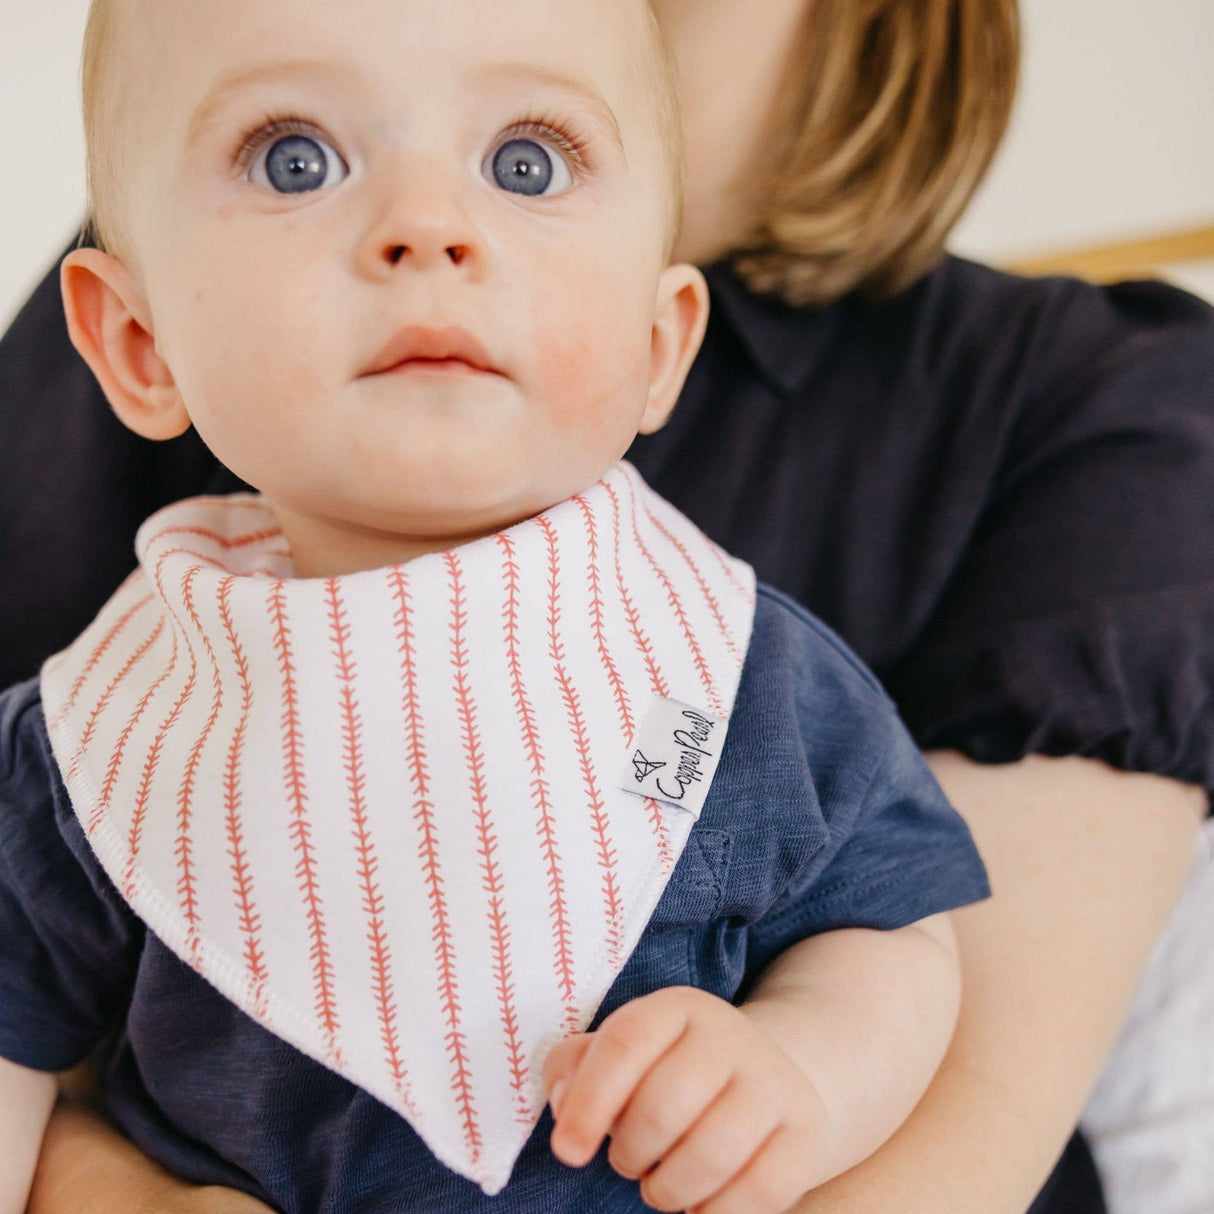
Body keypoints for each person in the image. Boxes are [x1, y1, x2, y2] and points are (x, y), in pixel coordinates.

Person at [6, 1, 1212, 1213]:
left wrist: (800, 1061)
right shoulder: (94, 735)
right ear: (137, 342)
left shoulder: (736, 668)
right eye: (294, 160)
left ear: (657, 342)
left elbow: (893, 930)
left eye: (525, 162)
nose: (426, 225)